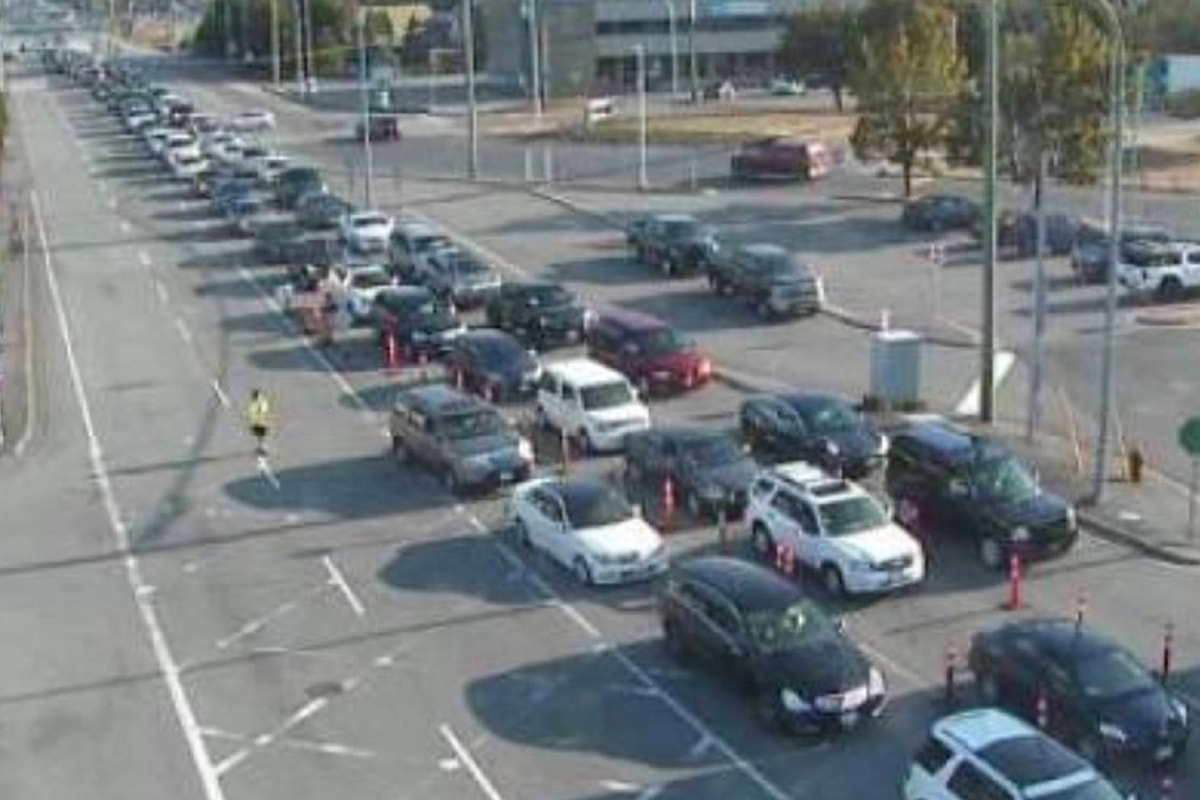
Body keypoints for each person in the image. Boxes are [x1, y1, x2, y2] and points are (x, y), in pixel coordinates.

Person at [246, 389, 273, 456]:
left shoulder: (261, 402)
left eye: (254, 395)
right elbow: (251, 411)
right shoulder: (254, 402)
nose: (252, 397)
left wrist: (257, 417)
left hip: (261, 422)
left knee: (261, 436)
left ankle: (263, 448)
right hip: (256, 422)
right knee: (259, 436)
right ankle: (260, 447)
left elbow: (264, 411)